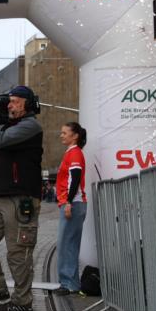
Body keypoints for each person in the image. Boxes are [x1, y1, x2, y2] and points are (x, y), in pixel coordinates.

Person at [0, 86, 44, 311]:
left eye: (14, 101)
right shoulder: (6, 127)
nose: (9, 105)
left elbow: (0, 142)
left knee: (18, 251)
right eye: (9, 102)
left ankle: (22, 302)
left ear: (26, 104)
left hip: (21, 196)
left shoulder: (30, 126)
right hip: (0, 196)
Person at [55, 122, 88, 296]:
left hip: (73, 204)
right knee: (69, 244)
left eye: (64, 132)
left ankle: (67, 284)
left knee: (65, 245)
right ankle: (71, 284)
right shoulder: (72, 153)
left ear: (75, 136)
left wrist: (68, 202)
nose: (61, 135)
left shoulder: (74, 153)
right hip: (74, 203)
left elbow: (74, 178)